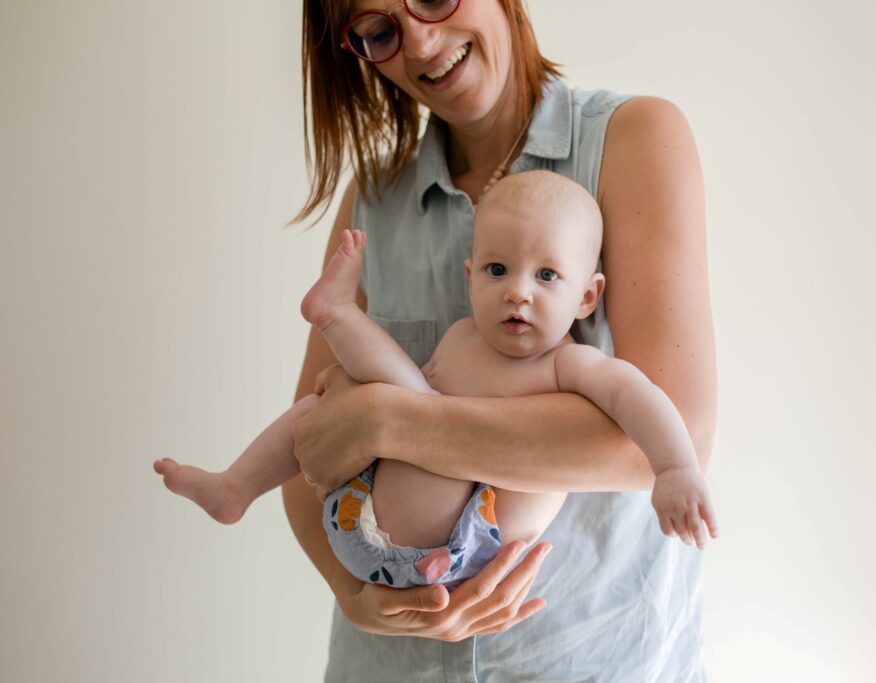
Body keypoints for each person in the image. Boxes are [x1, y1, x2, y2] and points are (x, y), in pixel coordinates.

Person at [285, 0, 717, 680]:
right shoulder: (371, 201)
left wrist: (387, 419)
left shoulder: (634, 139)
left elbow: (668, 438)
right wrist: (358, 596)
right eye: (379, 32)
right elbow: (310, 450)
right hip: (389, 664)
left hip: (593, 661)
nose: (422, 46)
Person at [152, 170, 717, 593]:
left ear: (587, 297)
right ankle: (237, 486)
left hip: (454, 550)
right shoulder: (462, 338)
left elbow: (639, 397)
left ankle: (341, 316)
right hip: (354, 512)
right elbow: (385, 417)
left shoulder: (566, 365)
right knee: (327, 405)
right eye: (498, 270)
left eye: (547, 275)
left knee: (403, 403)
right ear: (470, 278)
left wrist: (674, 468)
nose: (518, 290)